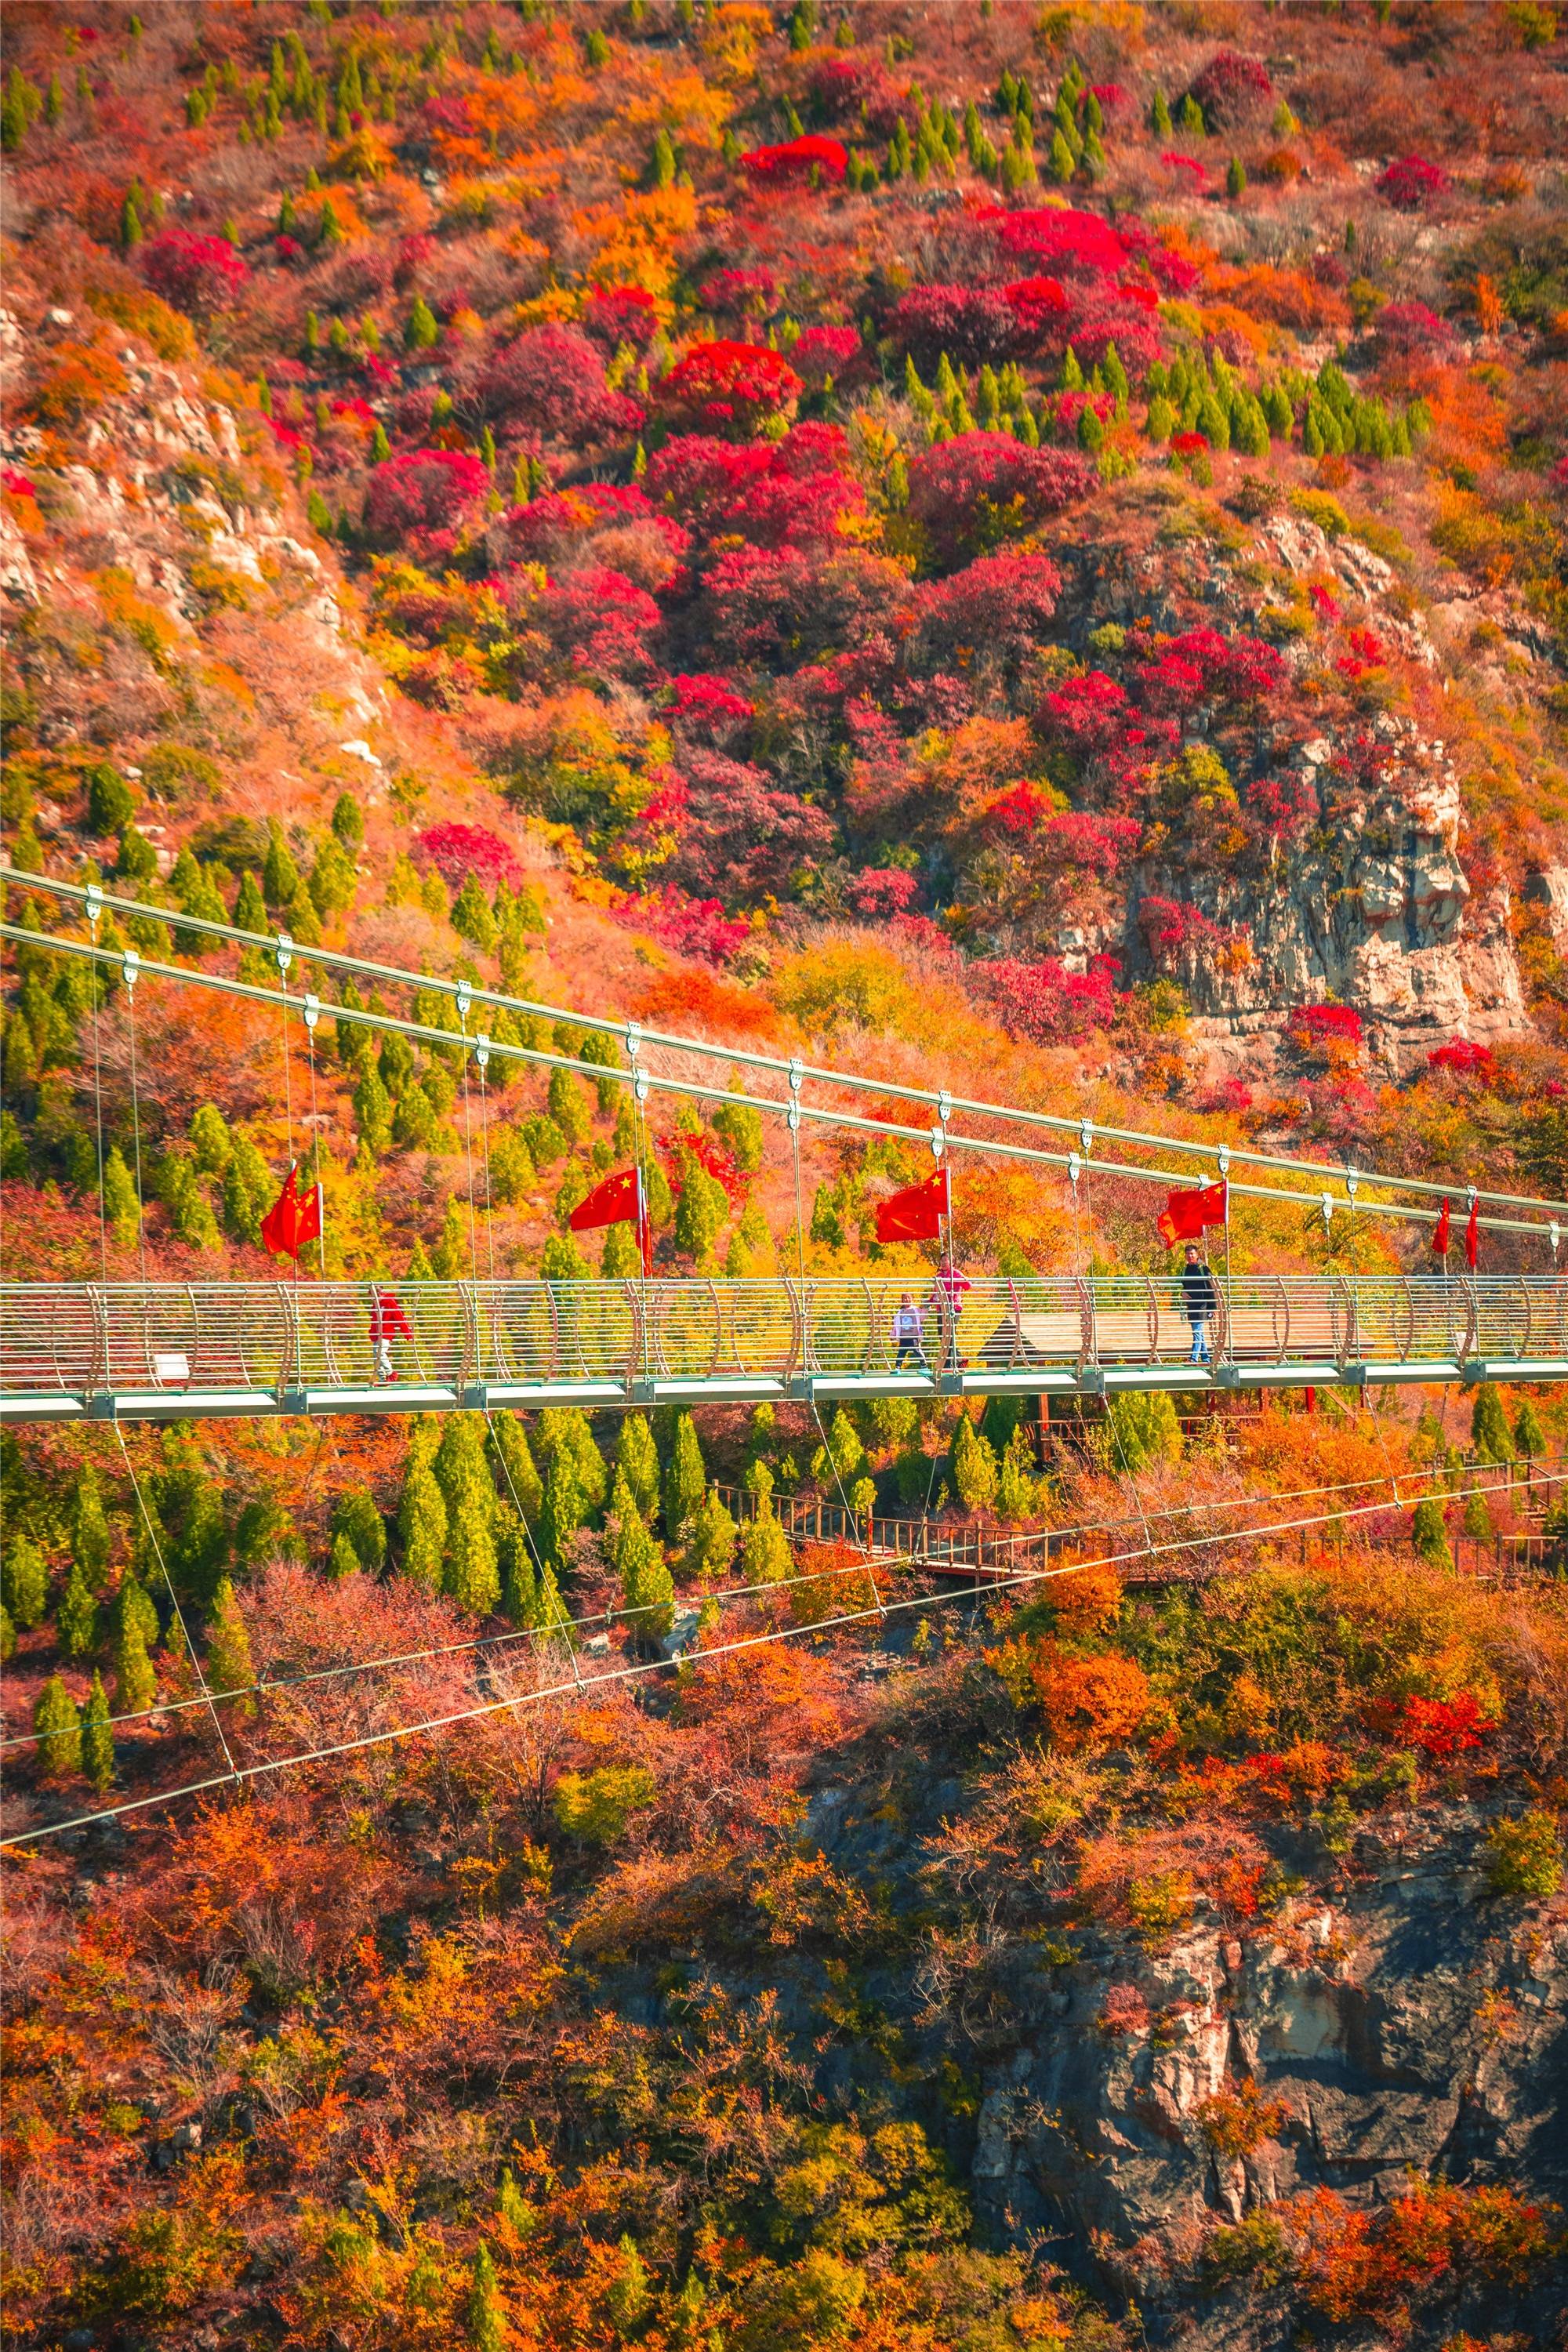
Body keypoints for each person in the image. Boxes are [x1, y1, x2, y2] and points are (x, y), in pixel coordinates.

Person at [927, 1261, 972, 1370]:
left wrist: (960, 1280)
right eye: (941, 1261)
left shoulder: (956, 1274)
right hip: (942, 1309)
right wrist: (929, 1303)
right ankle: (959, 1359)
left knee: (949, 1334)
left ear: (951, 1262)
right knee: (942, 1335)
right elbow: (936, 1294)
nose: (943, 1263)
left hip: (953, 1308)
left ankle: (948, 1364)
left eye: (945, 1260)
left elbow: (968, 1286)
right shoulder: (939, 1276)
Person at [1181, 1242, 1218, 1365]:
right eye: (1188, 1254)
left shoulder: (1204, 1269)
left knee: (1197, 1332)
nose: (1190, 1256)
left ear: (1197, 1255)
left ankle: (1194, 1358)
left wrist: (1213, 1307)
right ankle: (1206, 1358)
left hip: (1202, 1306)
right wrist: (1182, 1293)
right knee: (1199, 1333)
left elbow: (1212, 1289)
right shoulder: (1185, 1270)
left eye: (1192, 1254)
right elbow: (1183, 1286)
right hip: (1191, 1306)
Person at [892, 1291, 927, 1370]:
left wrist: (926, 1307)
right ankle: (898, 1367)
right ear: (902, 1300)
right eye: (905, 1298)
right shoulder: (900, 1312)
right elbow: (896, 1325)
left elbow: (923, 1317)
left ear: (912, 1299)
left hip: (914, 1335)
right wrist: (893, 1334)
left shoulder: (916, 1310)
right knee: (901, 1352)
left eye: (909, 1297)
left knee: (917, 1350)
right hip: (903, 1336)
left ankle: (924, 1366)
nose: (907, 1299)